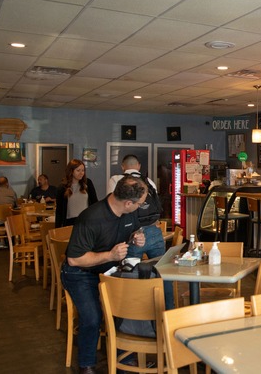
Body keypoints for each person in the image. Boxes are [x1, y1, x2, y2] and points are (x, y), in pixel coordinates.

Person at [60, 175, 147, 374]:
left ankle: (125, 358)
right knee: (92, 316)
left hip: (108, 271)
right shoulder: (91, 218)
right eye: (139, 204)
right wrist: (110, 255)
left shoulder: (129, 213)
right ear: (127, 203)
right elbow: (75, 259)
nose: (140, 207)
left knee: (128, 307)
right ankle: (87, 365)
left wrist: (136, 237)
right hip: (79, 273)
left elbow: (132, 231)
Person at [107, 154, 174, 309]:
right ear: (138, 166)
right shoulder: (148, 181)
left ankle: (132, 314)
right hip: (154, 232)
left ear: (123, 166)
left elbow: (113, 207)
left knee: (131, 274)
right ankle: (168, 310)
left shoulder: (116, 180)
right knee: (162, 273)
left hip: (131, 233)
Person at [56, 159, 98, 228]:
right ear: (71, 171)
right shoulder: (62, 187)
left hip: (86, 221)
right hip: (69, 223)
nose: (81, 173)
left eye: (83, 170)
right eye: (78, 170)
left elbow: (94, 203)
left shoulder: (88, 183)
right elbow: (59, 211)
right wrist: (57, 228)